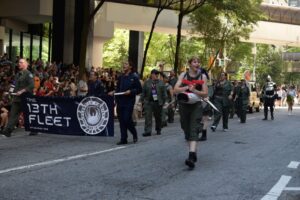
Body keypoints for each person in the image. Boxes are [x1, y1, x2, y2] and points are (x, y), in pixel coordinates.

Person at [174, 57, 208, 169]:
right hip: (184, 105)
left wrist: (194, 90)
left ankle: (191, 156)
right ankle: (193, 153)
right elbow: (175, 89)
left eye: (198, 62)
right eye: (194, 62)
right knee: (186, 129)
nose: (197, 63)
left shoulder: (202, 76)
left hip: (196, 105)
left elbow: (205, 93)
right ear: (189, 64)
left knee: (194, 129)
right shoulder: (183, 75)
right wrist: (186, 87)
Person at [109, 61, 142, 145]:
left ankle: (134, 133)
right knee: (122, 121)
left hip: (129, 102)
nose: (124, 65)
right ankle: (123, 138)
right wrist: (113, 92)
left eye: (126, 64)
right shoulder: (121, 77)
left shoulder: (134, 77)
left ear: (130, 67)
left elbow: (139, 90)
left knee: (127, 119)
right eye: (123, 64)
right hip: (120, 101)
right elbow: (118, 89)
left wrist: (130, 91)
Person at [1, 59, 34, 137]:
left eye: (21, 62)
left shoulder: (28, 74)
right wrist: (9, 92)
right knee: (13, 114)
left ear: (26, 64)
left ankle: (34, 129)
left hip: (25, 98)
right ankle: (8, 131)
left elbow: (31, 85)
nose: (19, 64)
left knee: (28, 114)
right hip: (16, 98)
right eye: (18, 62)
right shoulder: (18, 74)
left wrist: (22, 91)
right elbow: (14, 84)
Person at [140, 69, 167, 137]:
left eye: (157, 75)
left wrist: (164, 102)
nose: (157, 76)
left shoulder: (161, 82)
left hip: (158, 102)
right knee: (147, 117)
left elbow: (164, 93)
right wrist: (141, 100)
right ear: (152, 74)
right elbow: (143, 92)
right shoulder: (147, 82)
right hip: (149, 102)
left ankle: (158, 129)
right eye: (155, 74)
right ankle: (148, 131)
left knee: (158, 117)